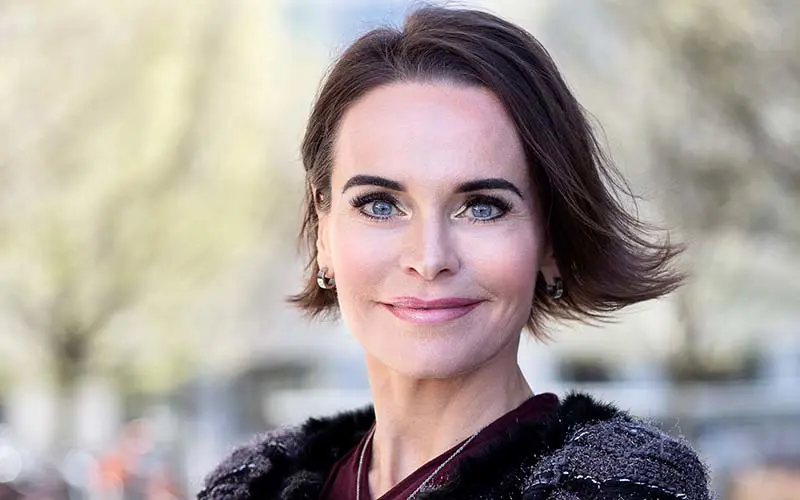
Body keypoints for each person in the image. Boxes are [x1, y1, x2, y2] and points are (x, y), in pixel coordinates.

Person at [199, 6, 711, 500]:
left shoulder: (620, 487)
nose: (429, 257)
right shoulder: (253, 484)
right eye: (379, 205)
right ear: (324, 233)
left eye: (482, 207)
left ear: (551, 240)